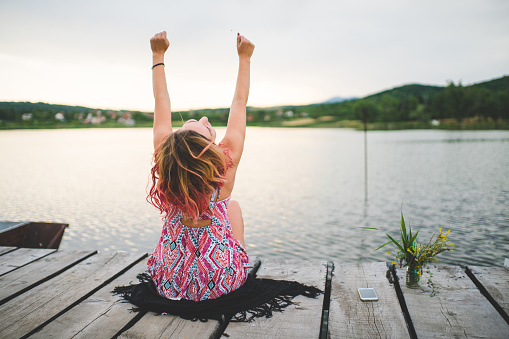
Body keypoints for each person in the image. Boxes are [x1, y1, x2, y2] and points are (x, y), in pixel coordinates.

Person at [146, 31, 255, 301]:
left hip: (170, 281)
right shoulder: (224, 172)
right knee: (232, 206)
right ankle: (232, 261)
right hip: (221, 280)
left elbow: (161, 101)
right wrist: (245, 58)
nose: (204, 118)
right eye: (202, 125)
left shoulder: (168, 164)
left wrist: (157, 55)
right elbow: (239, 103)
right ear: (209, 148)